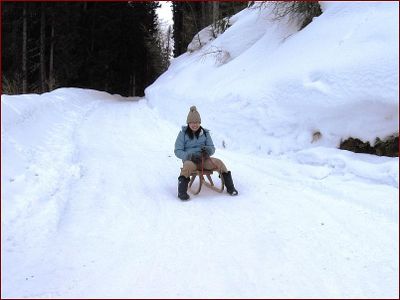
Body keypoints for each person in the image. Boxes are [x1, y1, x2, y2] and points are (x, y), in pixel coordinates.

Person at [174, 106, 238, 201]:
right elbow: (177, 150)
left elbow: (212, 148)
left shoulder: (205, 133)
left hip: (204, 159)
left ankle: (230, 188)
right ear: (188, 123)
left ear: (200, 123)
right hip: (191, 160)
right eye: (192, 123)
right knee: (186, 167)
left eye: (196, 122)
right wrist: (189, 156)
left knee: (219, 162)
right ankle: (182, 192)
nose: (194, 125)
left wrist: (207, 150)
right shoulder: (183, 134)